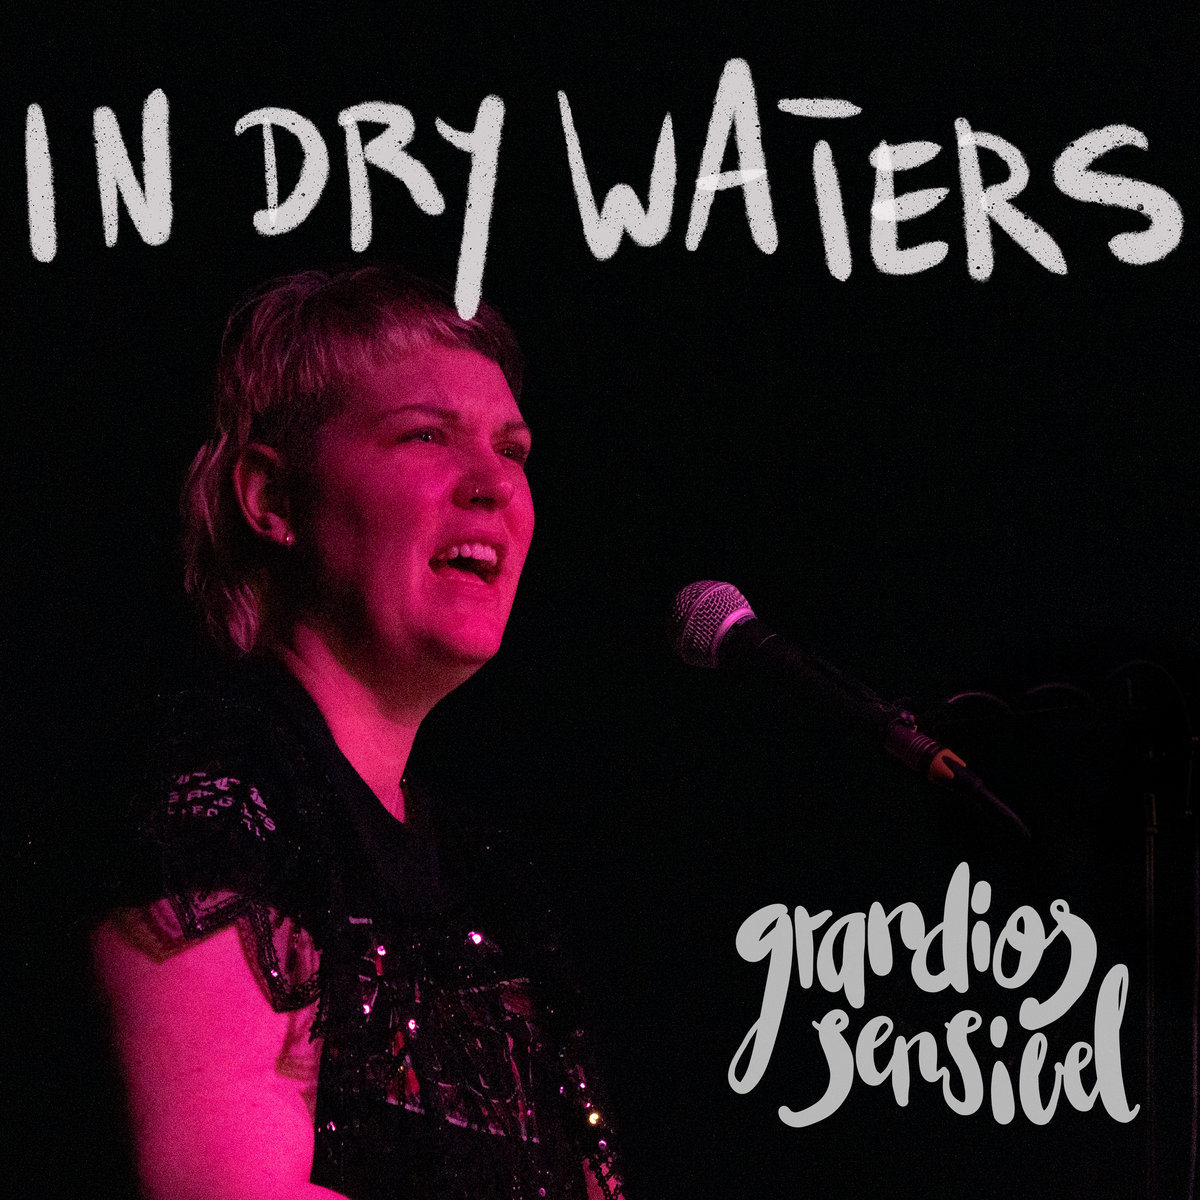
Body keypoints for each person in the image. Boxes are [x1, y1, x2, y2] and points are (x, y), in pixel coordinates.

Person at [91, 266, 623, 1200]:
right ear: (273, 499)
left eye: (512, 449)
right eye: (425, 435)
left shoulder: (488, 873)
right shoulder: (219, 792)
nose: (494, 486)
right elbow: (224, 1186)